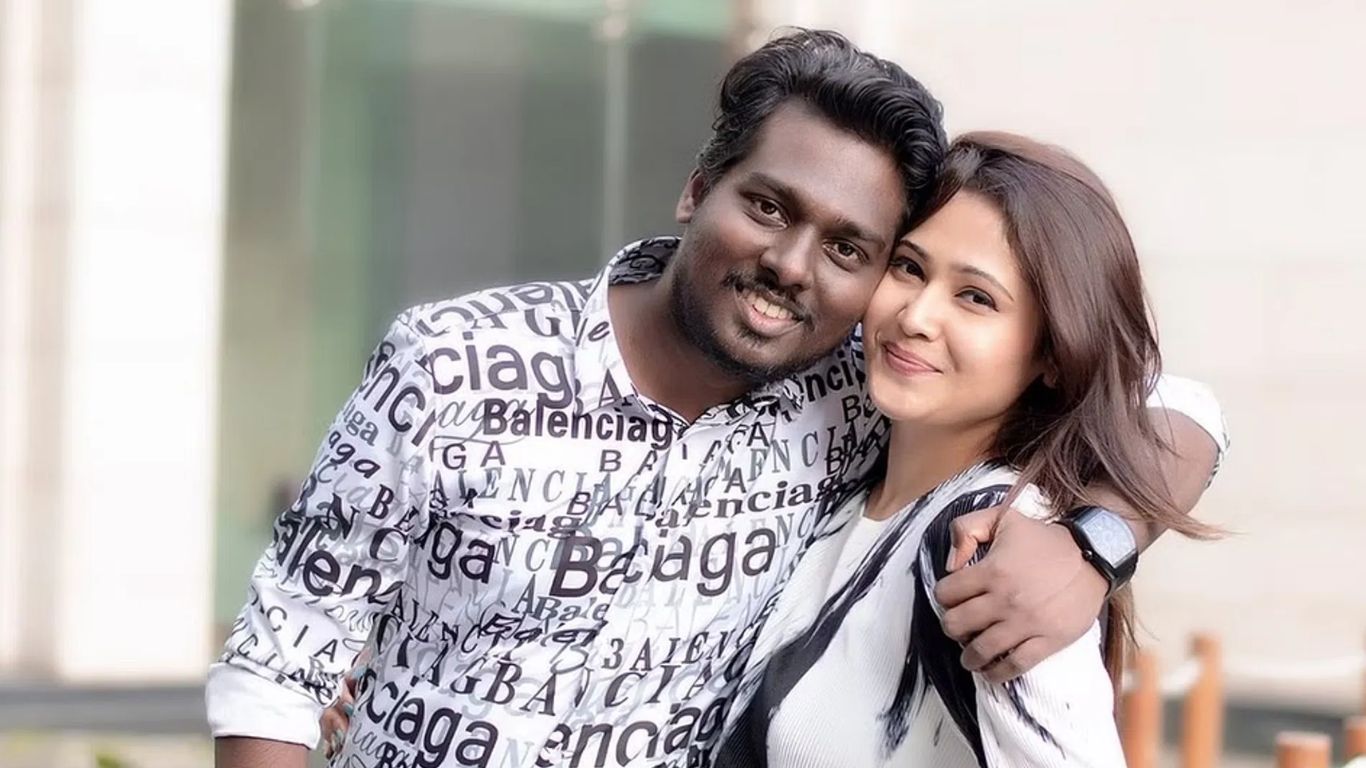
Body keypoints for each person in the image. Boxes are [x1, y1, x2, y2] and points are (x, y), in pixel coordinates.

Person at [208, 30, 1223, 768]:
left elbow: (1167, 404)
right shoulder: (454, 364)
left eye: (850, 249)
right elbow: (279, 665)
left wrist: (1094, 544)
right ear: (699, 187)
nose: (792, 265)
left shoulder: (855, 393)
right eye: (769, 206)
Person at [712, 132, 1227, 768]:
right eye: (909, 267)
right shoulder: (843, 460)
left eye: (976, 298)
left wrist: (1096, 545)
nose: (916, 317)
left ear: (1053, 353)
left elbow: (1174, 397)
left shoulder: (992, 551)